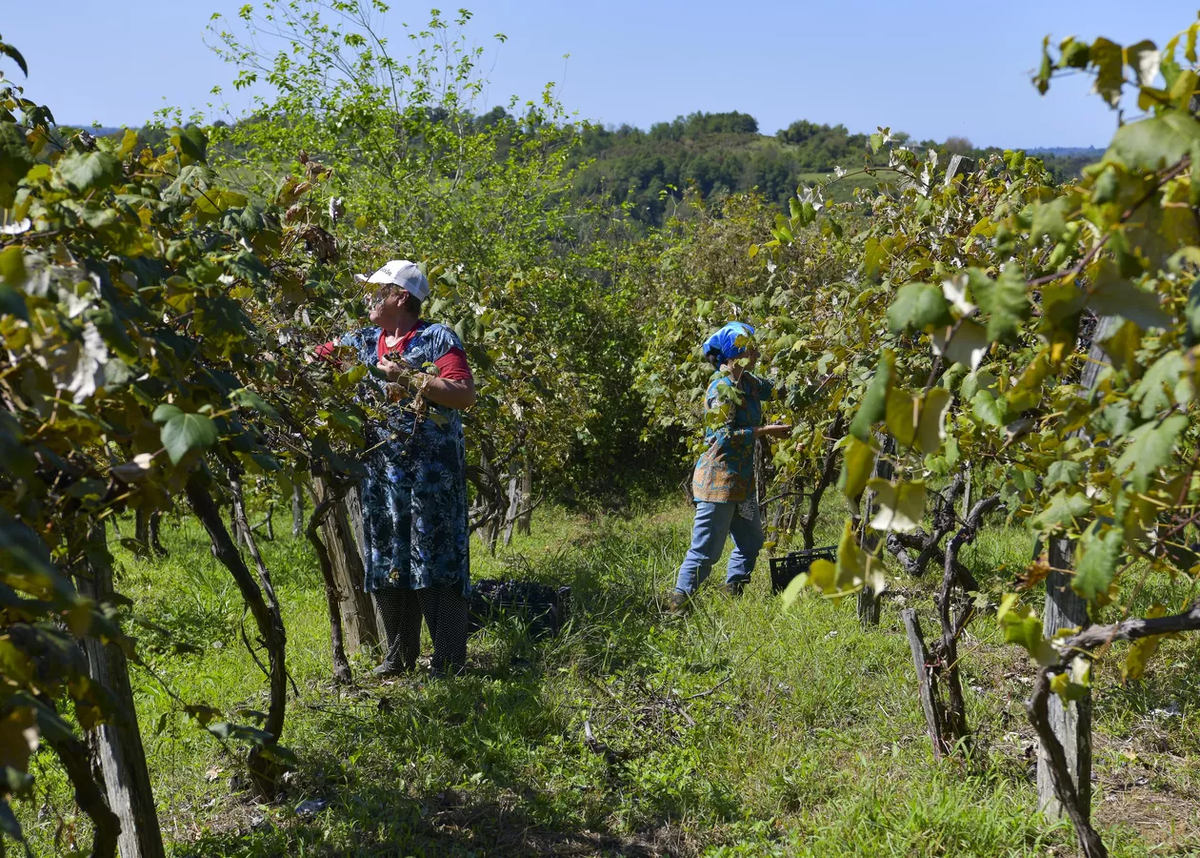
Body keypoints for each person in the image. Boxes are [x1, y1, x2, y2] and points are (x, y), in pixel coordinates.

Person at [317, 260, 476, 675]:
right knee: (389, 559)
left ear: (401, 297)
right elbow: (314, 360)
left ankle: (449, 661)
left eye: (378, 291)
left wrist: (411, 380)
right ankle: (399, 656)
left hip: (431, 479)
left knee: (436, 559)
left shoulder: (437, 338)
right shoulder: (362, 341)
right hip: (382, 479)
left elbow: (463, 394)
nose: (370, 298)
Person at [670, 322, 790, 612]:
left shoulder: (747, 382)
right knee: (705, 552)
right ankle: (677, 608)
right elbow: (722, 436)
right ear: (735, 353)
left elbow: (777, 391)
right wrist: (765, 431)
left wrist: (820, 381)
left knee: (751, 542)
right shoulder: (721, 388)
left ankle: (731, 596)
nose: (757, 352)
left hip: (742, 482)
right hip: (719, 482)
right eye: (751, 348)